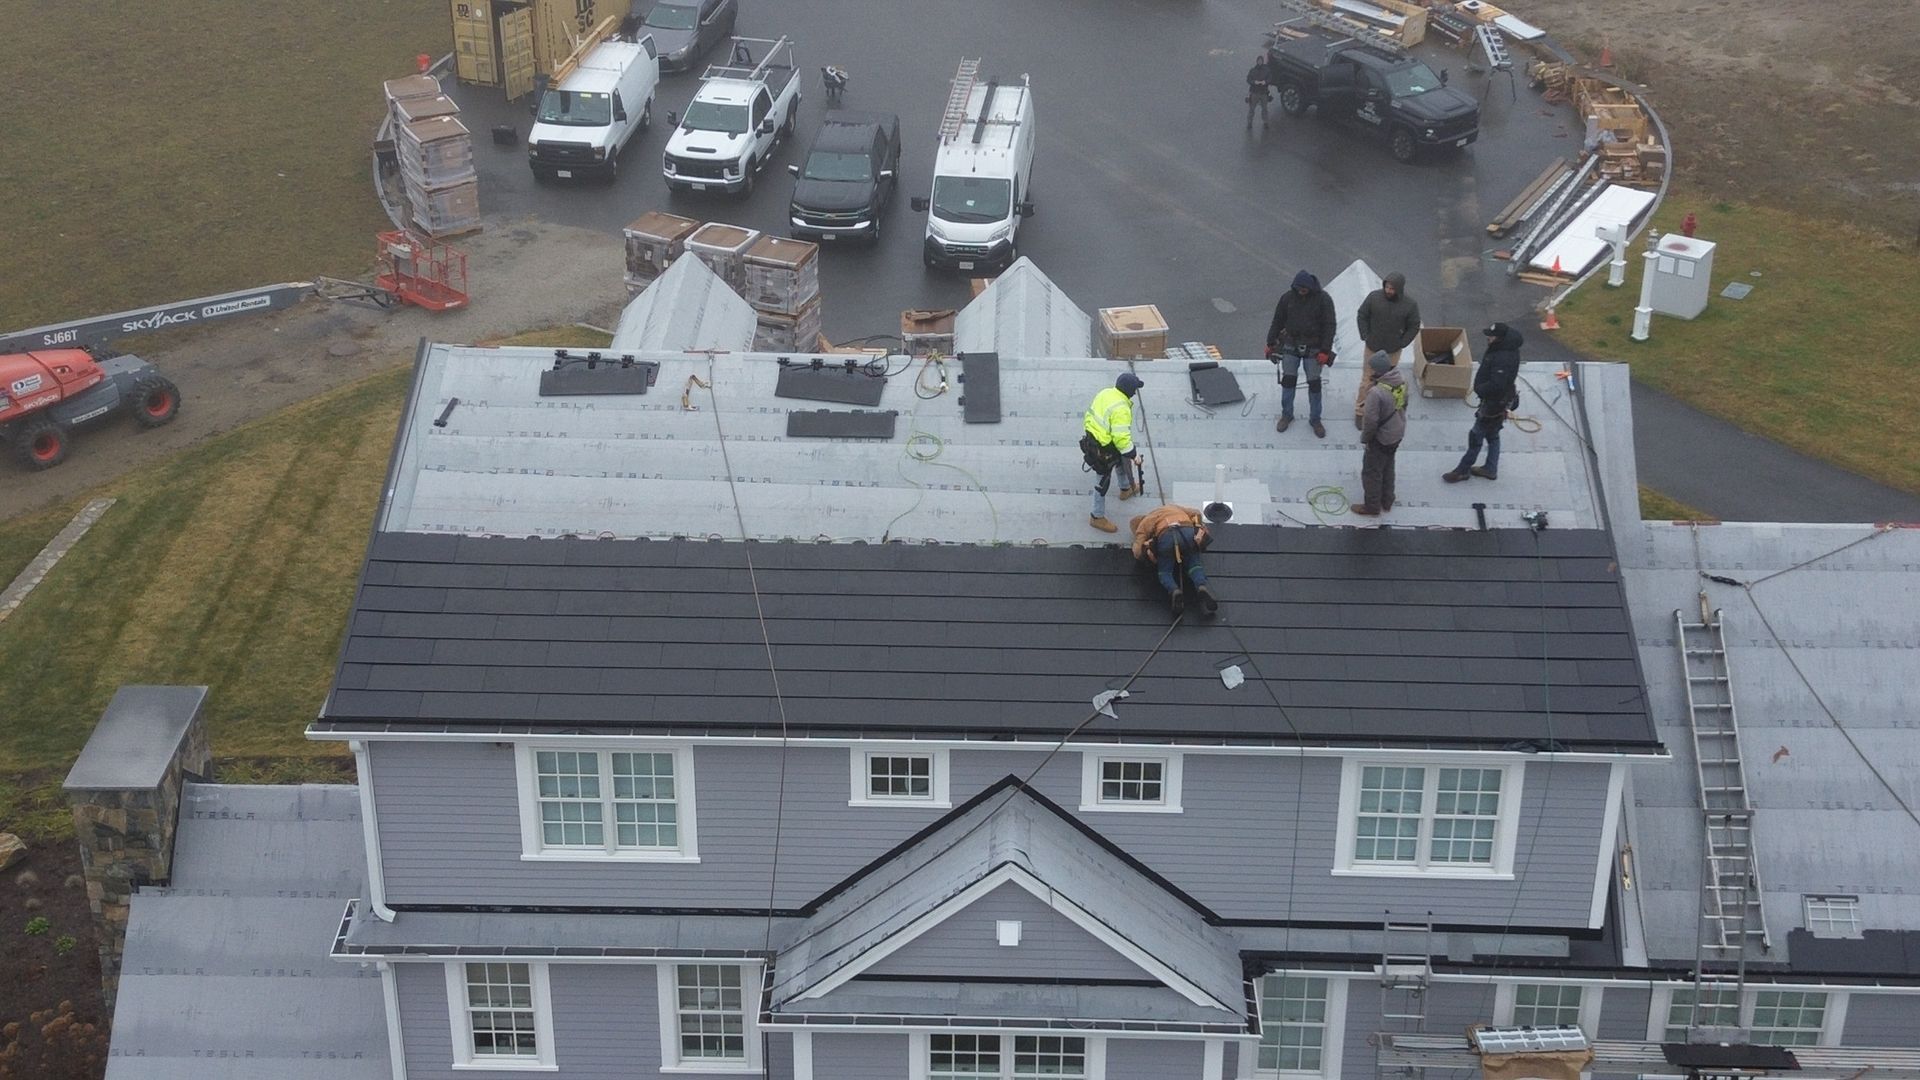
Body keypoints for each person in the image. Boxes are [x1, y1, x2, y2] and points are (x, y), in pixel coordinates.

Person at [1443, 322, 1524, 482]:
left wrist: (1480, 389)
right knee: (1493, 436)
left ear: (1499, 338)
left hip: (1493, 405)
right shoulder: (1504, 349)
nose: (1488, 338)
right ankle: (1490, 468)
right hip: (1500, 402)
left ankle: (1462, 470)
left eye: (1491, 336)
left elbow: (1497, 384)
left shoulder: (1503, 357)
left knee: (1476, 436)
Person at [1265, 270, 1336, 438]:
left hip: (1314, 347)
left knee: (1314, 384)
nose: (1301, 291)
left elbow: (1330, 325)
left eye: (1304, 288)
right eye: (1298, 288)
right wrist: (1270, 342)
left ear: (1310, 287)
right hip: (1291, 344)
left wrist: (1325, 350)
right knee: (1288, 381)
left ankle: (1315, 419)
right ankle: (1287, 415)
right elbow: (1277, 320)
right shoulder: (1287, 298)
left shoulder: (1323, 299)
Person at [1353, 272, 1421, 428]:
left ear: (1399, 289)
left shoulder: (1410, 305)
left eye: (1392, 288)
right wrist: (1365, 335)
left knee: (1387, 383)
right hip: (1372, 348)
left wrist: (1402, 343)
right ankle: (1360, 411)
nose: (1389, 290)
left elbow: (1414, 325)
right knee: (1367, 381)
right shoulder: (1374, 298)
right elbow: (1362, 315)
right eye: (1387, 287)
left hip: (1393, 351)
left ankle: (1381, 411)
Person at [1082, 372, 1144, 533]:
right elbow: (1121, 439)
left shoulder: (1106, 393)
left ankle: (1125, 489)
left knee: (1120, 461)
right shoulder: (1121, 408)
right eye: (1134, 389)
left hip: (1095, 440)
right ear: (1129, 390)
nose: (1135, 393)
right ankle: (1097, 517)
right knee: (1102, 483)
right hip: (1103, 448)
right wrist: (1134, 455)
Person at [1130, 504, 1217, 617]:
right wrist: (1199, 526)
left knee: (1165, 571)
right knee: (1194, 564)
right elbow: (1196, 512)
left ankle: (1174, 590)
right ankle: (1201, 586)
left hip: (1166, 536)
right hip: (1187, 531)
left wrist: (1146, 554)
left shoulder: (1146, 520)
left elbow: (1137, 551)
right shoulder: (1173, 507)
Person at [1352, 352, 1408, 516]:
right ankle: (1387, 500)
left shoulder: (1376, 393)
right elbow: (1405, 405)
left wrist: (1366, 439)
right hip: (1397, 433)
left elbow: (1370, 421)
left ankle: (1372, 506)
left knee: (1371, 472)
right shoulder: (1402, 381)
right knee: (1388, 466)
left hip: (1381, 438)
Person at [1246, 51, 1273, 129]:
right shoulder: (1252, 70)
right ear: (1257, 61)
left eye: (1261, 60)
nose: (1260, 62)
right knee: (1252, 109)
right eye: (1259, 61)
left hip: (1263, 92)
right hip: (1254, 92)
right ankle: (1249, 123)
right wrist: (1255, 82)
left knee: (1264, 109)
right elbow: (1248, 79)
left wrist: (1265, 82)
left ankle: (1265, 122)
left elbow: (1270, 78)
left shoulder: (1266, 70)